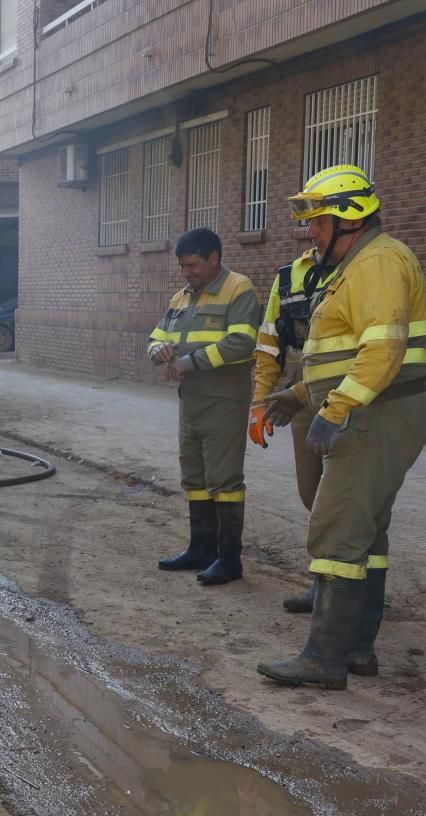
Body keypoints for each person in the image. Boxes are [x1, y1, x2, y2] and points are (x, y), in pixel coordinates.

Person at [258, 164, 426, 689]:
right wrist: (298, 394)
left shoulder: (376, 261)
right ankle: (357, 648)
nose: (310, 232)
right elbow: (347, 351)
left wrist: (334, 411)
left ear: (349, 217)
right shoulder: (359, 263)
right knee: (366, 530)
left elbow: (383, 348)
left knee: (336, 526)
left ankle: (324, 658)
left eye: (318, 221)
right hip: (381, 405)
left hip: (376, 410)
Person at [148, 228, 263, 586]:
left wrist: (188, 362)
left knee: (224, 478)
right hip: (192, 399)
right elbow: (157, 336)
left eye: (193, 265)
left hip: (224, 396)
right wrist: (158, 352)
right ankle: (201, 548)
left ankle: (229, 559)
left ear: (214, 257)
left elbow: (243, 342)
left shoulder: (239, 289)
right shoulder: (181, 297)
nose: (187, 273)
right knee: (194, 474)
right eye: (183, 267)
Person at [249, 246, 328, 613]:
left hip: (357, 391)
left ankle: (351, 589)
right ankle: (326, 582)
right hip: (302, 393)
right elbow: (268, 346)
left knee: (353, 497)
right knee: (311, 492)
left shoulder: (362, 264)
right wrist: (259, 403)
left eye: (318, 219)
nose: (311, 229)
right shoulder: (288, 275)